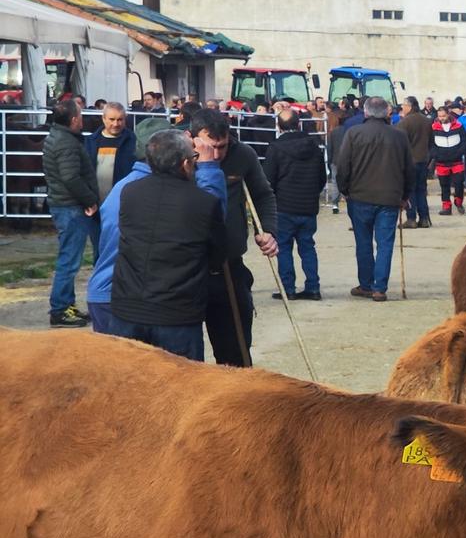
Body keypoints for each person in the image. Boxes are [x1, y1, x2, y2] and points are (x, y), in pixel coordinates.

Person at [101, 131, 229, 361]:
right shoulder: (204, 202)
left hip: (128, 308)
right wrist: (211, 172)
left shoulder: (130, 193)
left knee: (127, 386)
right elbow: (219, 253)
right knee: (181, 389)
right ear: (185, 164)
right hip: (176, 314)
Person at [188, 110, 277, 366]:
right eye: (210, 147)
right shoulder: (178, 154)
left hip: (229, 267)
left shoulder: (243, 155)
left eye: (223, 147)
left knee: (236, 354)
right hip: (189, 269)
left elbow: (263, 194)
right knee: (184, 358)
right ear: (192, 138)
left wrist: (268, 230)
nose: (216, 155)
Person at [334, 96, 411, 301]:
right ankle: (379, 288)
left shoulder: (354, 133)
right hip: (389, 198)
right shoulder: (399, 136)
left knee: (363, 242)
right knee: (385, 243)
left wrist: (344, 189)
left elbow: (343, 166)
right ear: (387, 113)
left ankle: (367, 284)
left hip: (359, 196)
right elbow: (409, 170)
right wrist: (405, 196)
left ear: (366, 113)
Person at [43, 99, 101, 328]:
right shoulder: (67, 143)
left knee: (68, 257)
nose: (82, 119)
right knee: (69, 259)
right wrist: (90, 200)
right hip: (70, 207)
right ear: (74, 119)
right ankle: (59, 309)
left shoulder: (57, 137)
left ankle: (66, 304)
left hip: (63, 204)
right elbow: (70, 177)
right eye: (80, 116)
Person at [264, 108, 327, 300]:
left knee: (283, 247)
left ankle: (288, 288)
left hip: (284, 205)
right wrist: (312, 194)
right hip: (308, 205)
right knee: (307, 246)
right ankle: (313, 287)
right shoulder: (314, 146)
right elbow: (322, 177)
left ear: (278, 126)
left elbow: (268, 179)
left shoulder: (275, 148)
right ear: (299, 124)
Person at [88, 101, 136, 201]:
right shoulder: (90, 142)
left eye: (120, 120)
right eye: (112, 119)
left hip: (123, 200)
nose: (116, 124)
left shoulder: (133, 141)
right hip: (96, 202)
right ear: (104, 119)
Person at [396, 96, 432, 228]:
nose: (402, 108)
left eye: (403, 106)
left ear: (409, 106)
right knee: (421, 190)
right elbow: (431, 142)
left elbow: (400, 144)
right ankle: (424, 218)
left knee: (409, 191)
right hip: (423, 160)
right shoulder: (427, 121)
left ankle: (411, 218)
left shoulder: (404, 123)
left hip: (410, 162)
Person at [431, 110, 466, 216]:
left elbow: (464, 141)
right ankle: (446, 206)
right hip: (441, 162)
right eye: (440, 116)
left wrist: (459, 153)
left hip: (457, 161)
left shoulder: (458, 126)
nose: (442, 118)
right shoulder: (433, 128)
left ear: (448, 115)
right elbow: (431, 144)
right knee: (444, 185)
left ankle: (458, 201)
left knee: (459, 183)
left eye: (443, 115)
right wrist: (436, 155)